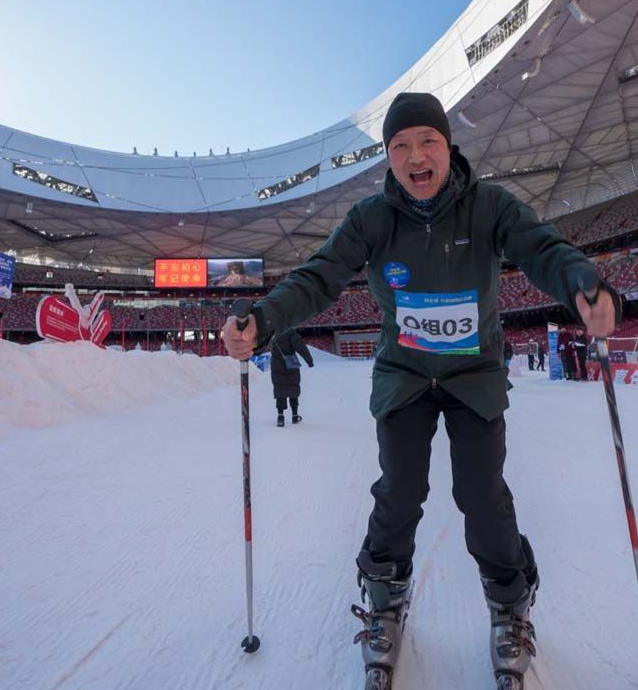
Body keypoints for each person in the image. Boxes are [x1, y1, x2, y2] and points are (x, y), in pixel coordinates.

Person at [222, 92, 617, 685]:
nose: (415, 156)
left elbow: (541, 248)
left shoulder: (489, 207)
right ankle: (384, 601)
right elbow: (320, 275)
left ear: (447, 146)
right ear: (387, 156)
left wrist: (581, 282)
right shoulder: (371, 220)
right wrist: (266, 317)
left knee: (481, 493)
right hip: (405, 375)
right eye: (400, 146)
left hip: (473, 375)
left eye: (427, 141)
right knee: (400, 490)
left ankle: (510, 607)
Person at [270, 328, 314, 426]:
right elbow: (301, 347)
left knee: (280, 389)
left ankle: (280, 417)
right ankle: (295, 415)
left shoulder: (272, 331)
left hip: (276, 363)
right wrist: (309, 360)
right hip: (291, 362)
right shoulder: (290, 331)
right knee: (293, 387)